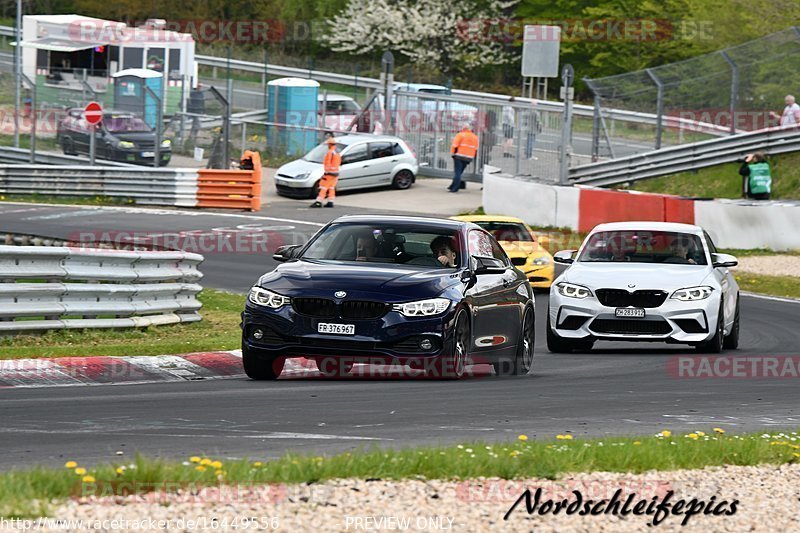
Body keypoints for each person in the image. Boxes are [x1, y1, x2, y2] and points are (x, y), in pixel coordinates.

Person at [311, 137, 341, 208]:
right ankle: (330, 202)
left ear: (330, 145)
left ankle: (318, 202)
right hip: (335, 173)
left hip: (329, 174)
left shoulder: (330, 153)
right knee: (331, 188)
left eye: (328, 144)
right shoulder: (337, 153)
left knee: (323, 187)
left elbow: (327, 163)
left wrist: (326, 172)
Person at [448, 123, 479, 193]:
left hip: (459, 156)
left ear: (464, 128)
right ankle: (452, 185)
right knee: (459, 172)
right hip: (468, 157)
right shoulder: (475, 137)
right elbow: (476, 148)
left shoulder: (460, 135)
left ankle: (455, 187)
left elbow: (454, 145)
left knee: (457, 172)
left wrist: (453, 154)